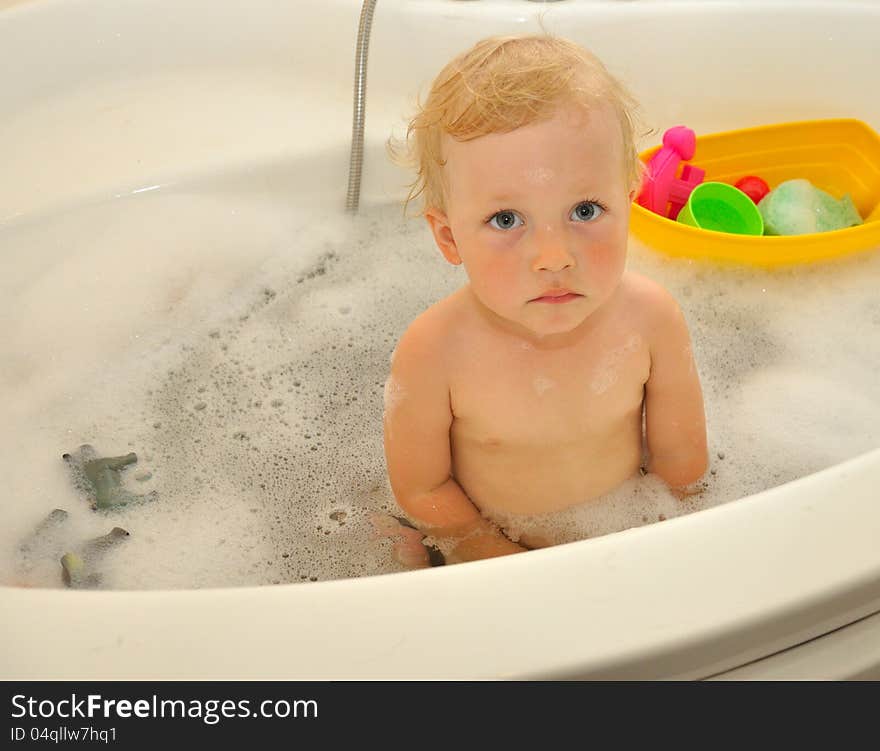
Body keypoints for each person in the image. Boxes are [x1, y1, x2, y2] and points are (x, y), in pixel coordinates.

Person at [377, 34, 708, 567]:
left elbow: (682, 465)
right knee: (391, 552)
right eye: (506, 220)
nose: (554, 257)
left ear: (628, 205)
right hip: (490, 552)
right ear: (449, 238)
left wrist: (666, 547)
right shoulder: (434, 351)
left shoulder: (651, 320)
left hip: (626, 536)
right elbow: (424, 490)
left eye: (585, 210)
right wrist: (498, 559)